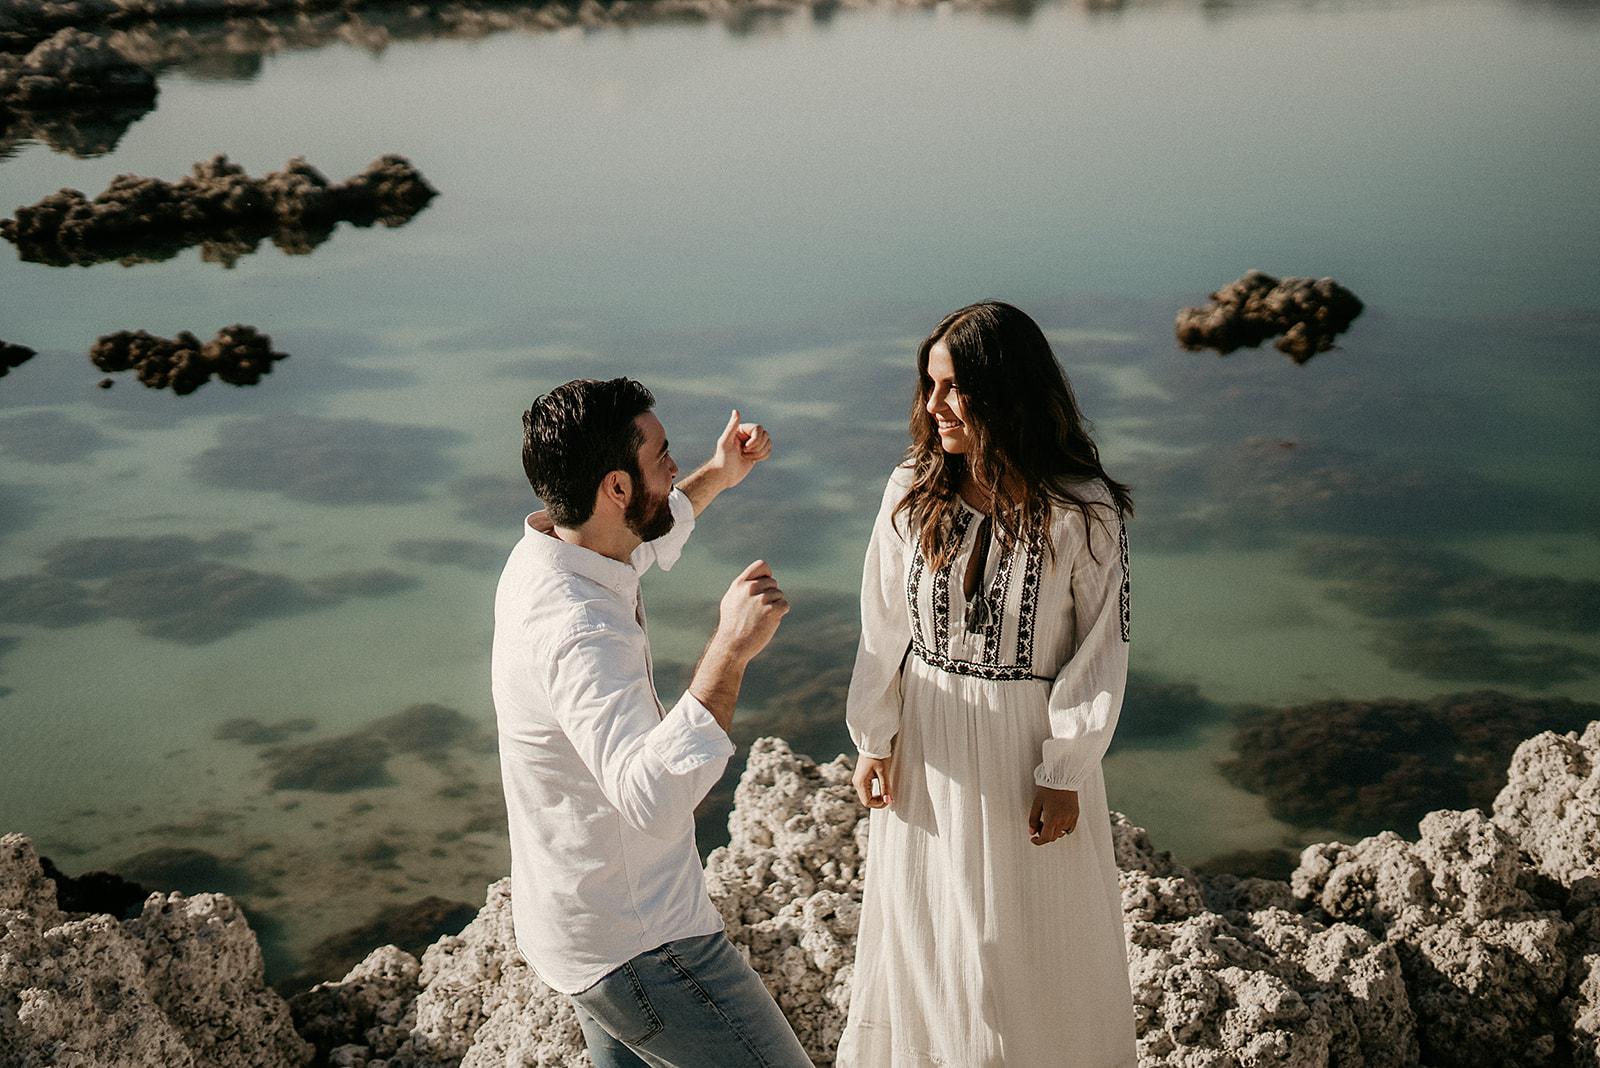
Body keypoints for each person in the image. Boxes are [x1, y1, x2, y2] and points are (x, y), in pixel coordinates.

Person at [837, 302, 1139, 1067]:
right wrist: (874, 736)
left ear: (1005, 391)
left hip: (1024, 757)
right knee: (931, 947)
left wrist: (1065, 768)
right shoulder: (911, 489)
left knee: (1027, 957)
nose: (933, 406)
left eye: (953, 388)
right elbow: (881, 624)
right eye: (929, 387)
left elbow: (1102, 651)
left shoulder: (1083, 511)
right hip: (927, 747)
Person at [493, 377, 814, 1068]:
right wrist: (731, 649)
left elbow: (640, 540)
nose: (673, 467)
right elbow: (653, 799)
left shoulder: (552, 552)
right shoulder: (579, 630)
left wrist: (718, 476)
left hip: (582, 931)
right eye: (662, 456)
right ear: (614, 487)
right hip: (645, 944)